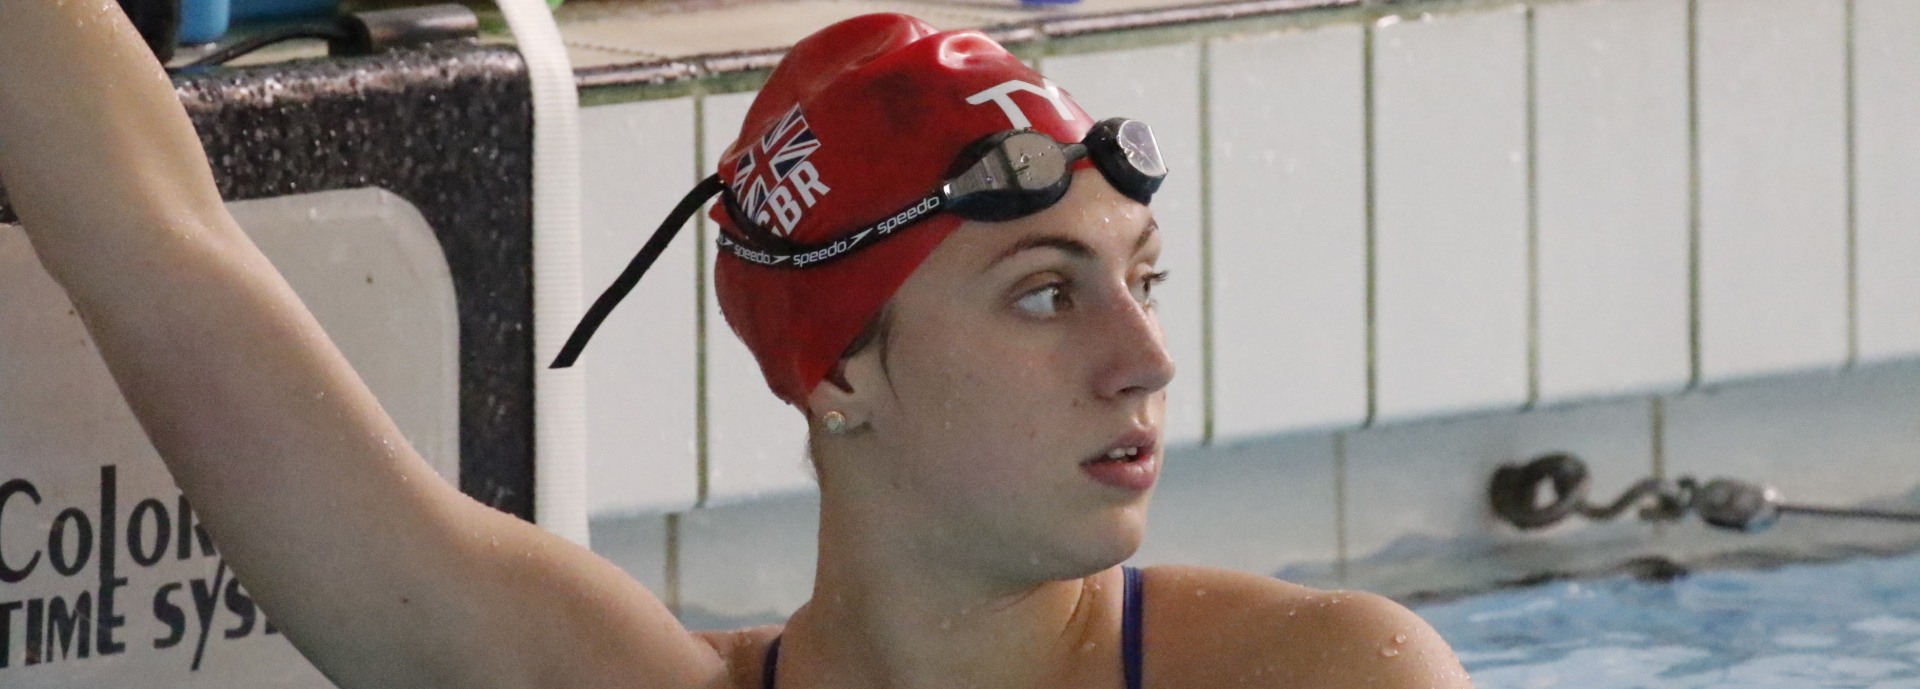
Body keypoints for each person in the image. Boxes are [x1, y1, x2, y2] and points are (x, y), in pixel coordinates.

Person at [0, 3, 1472, 688]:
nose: (1142, 357)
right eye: (1044, 291)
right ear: (837, 369)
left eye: (1141, 278)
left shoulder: (1329, 679)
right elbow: (161, 257)